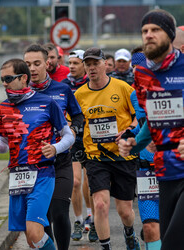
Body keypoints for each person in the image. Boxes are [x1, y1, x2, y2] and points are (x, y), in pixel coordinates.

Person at [0, 58, 75, 250]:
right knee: (32, 239)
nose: (5, 84)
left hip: (42, 173)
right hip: (17, 177)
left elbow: (68, 136)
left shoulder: (46, 103)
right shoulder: (3, 108)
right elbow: (5, 143)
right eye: (2, 80)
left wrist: (55, 148)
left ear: (23, 78)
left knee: (34, 231)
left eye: (8, 78)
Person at [118, 9, 184, 250]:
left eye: (155, 30)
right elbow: (152, 122)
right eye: (144, 31)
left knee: (173, 243)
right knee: (165, 238)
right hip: (165, 169)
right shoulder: (143, 74)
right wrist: (134, 142)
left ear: (169, 34)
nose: (148, 35)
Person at [74, 47, 140, 250]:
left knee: (125, 211)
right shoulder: (79, 95)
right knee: (100, 204)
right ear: (85, 68)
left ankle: (129, 233)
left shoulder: (123, 88)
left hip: (123, 155)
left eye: (96, 63)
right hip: (96, 157)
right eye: (88, 64)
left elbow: (139, 118)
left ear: (105, 64)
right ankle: (106, 247)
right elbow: (72, 123)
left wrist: (130, 130)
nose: (92, 68)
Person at [23, 44, 83, 250]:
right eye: (28, 64)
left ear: (47, 64)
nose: (32, 68)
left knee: (59, 210)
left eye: (37, 63)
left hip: (61, 160)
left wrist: (74, 128)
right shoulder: (22, 94)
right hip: (35, 164)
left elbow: (78, 115)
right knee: (44, 215)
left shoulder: (62, 89)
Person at [62, 49, 98, 242]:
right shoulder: (64, 85)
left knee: (90, 182)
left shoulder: (91, 83)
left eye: (76, 63)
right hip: (73, 138)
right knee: (75, 182)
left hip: (91, 138)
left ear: (84, 65)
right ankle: (77, 220)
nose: (72, 66)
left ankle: (91, 219)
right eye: (70, 63)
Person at [129, 48, 161, 250]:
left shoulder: (172, 87)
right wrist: (128, 137)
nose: (136, 71)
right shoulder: (134, 95)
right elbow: (141, 125)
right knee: (149, 227)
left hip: (173, 166)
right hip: (146, 168)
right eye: (134, 67)